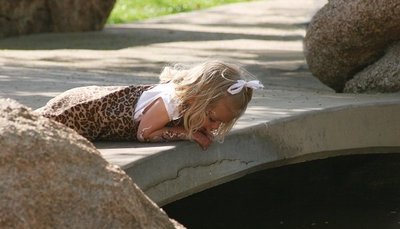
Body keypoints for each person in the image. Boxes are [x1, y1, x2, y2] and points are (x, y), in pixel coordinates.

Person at [35, 60, 264, 150]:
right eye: (212, 118)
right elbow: (145, 133)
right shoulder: (172, 101)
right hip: (79, 111)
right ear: (197, 99)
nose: (213, 126)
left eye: (219, 123)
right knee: (36, 126)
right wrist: (185, 133)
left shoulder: (191, 105)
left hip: (88, 116)